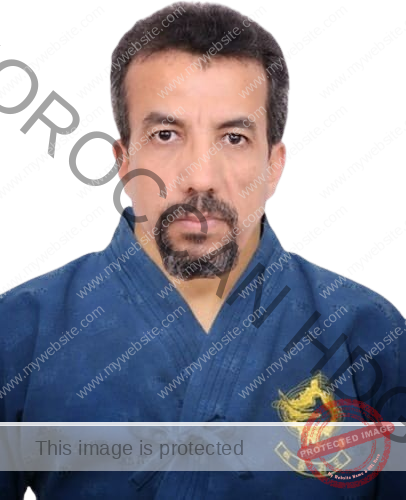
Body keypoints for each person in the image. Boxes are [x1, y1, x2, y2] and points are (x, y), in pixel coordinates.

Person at [1, 2, 405, 498]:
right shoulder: (24, 328)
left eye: (234, 137)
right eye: (166, 135)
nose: (200, 177)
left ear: (273, 165)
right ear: (123, 160)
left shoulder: (368, 332)